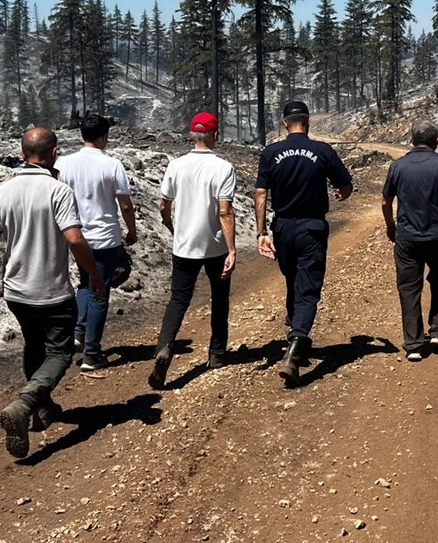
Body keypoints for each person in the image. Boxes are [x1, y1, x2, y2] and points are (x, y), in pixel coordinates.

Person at [0, 127, 107, 459]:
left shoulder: (4, 191)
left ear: (21, 154)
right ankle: (26, 402)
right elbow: (74, 239)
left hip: (15, 291)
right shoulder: (58, 191)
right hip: (52, 291)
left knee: (34, 345)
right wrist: (95, 277)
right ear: (54, 153)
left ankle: (41, 410)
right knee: (59, 353)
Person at [255, 100, 353, 387]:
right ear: (308, 123)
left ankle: (294, 327)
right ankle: (297, 342)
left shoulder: (271, 153)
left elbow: (261, 194)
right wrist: (342, 195)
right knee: (308, 287)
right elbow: (345, 186)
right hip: (312, 225)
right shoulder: (322, 151)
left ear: (285, 124)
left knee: (293, 278)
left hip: (283, 226)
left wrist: (261, 232)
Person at [148, 111, 238, 389]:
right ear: (215, 136)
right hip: (214, 246)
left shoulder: (176, 165)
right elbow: (225, 212)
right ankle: (217, 353)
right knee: (219, 298)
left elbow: (164, 204)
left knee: (178, 299)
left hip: (184, 245)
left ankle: (165, 346)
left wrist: (170, 224)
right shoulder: (223, 167)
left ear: (191, 135)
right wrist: (232, 249)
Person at [55, 114, 138, 371]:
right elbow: (125, 203)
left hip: (75, 235)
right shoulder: (112, 165)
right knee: (100, 292)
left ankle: (79, 333)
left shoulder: (63, 163)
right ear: (104, 137)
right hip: (105, 237)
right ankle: (91, 353)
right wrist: (132, 230)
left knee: (84, 283)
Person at [381, 120, 438, 361]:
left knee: (408, 287)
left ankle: (413, 344)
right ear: (437, 141)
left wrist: (390, 227)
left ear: (411, 140)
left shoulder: (398, 166)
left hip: (407, 236)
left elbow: (385, 201)